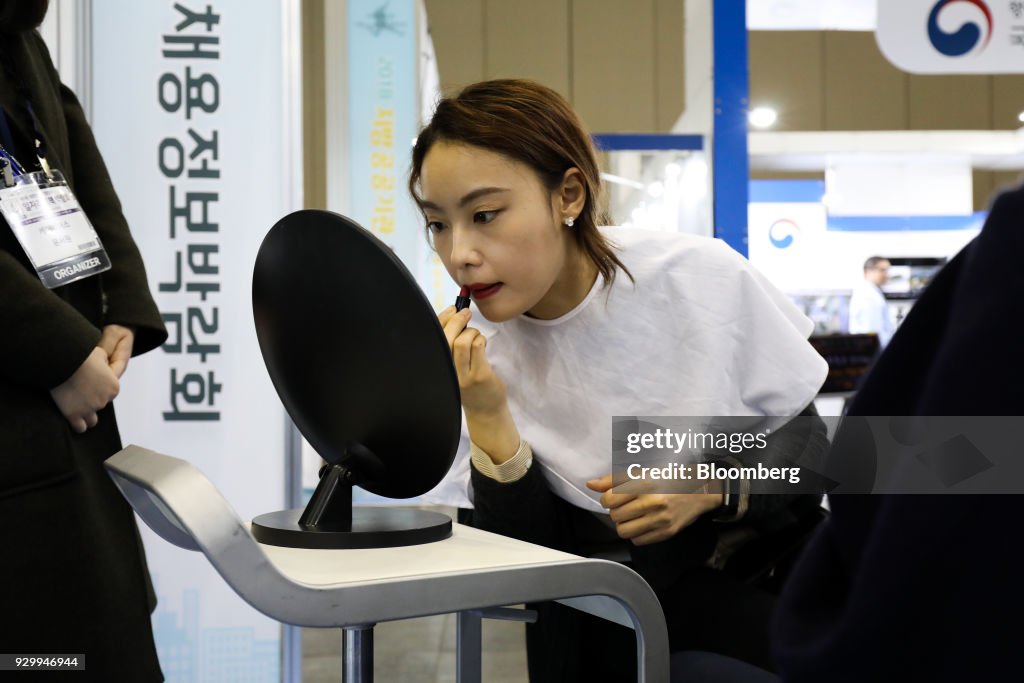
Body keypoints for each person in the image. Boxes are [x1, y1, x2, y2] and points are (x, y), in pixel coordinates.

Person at [410, 79, 830, 681]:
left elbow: (814, 448)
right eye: (438, 225)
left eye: (484, 215)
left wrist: (707, 485)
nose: (460, 253)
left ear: (568, 195)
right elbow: (527, 562)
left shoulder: (693, 278)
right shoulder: (472, 352)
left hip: (753, 597)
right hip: (595, 634)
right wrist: (485, 410)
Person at [0, 2, 166, 680]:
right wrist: (58, 350)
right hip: (23, 397)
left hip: (71, 420)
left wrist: (117, 297)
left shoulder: (18, 30)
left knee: (96, 641)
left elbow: (66, 140)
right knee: (35, 653)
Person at [848, 256, 894, 348]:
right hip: (874, 350)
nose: (887, 274)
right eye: (883, 270)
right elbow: (871, 332)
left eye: (888, 270)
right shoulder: (868, 296)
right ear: (867, 271)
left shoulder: (872, 293)